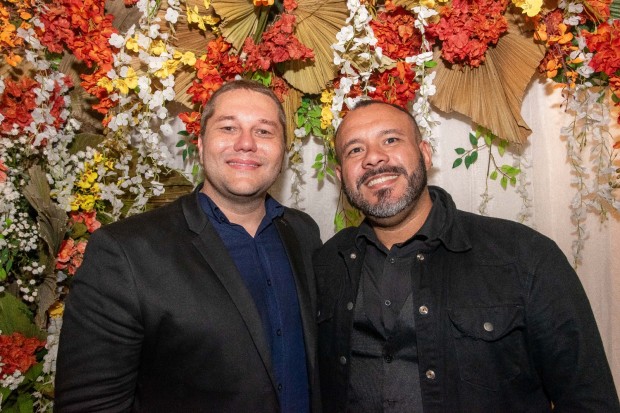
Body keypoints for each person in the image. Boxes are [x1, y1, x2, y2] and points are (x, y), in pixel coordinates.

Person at [315, 100, 620, 412]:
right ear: (340, 175)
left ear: (425, 153)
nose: (373, 157)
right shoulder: (327, 263)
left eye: (390, 139)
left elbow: (588, 400)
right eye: (355, 150)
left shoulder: (523, 256)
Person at [55, 80, 322, 412]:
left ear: (283, 151)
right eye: (228, 128)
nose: (246, 143)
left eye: (264, 131)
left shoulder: (303, 233)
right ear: (200, 144)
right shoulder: (125, 253)